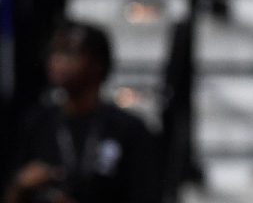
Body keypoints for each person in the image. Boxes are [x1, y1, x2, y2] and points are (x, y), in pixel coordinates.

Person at [4, 21, 160, 203]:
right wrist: (21, 186)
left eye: (69, 52)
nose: (57, 61)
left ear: (97, 64)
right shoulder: (36, 122)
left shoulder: (129, 129)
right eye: (54, 52)